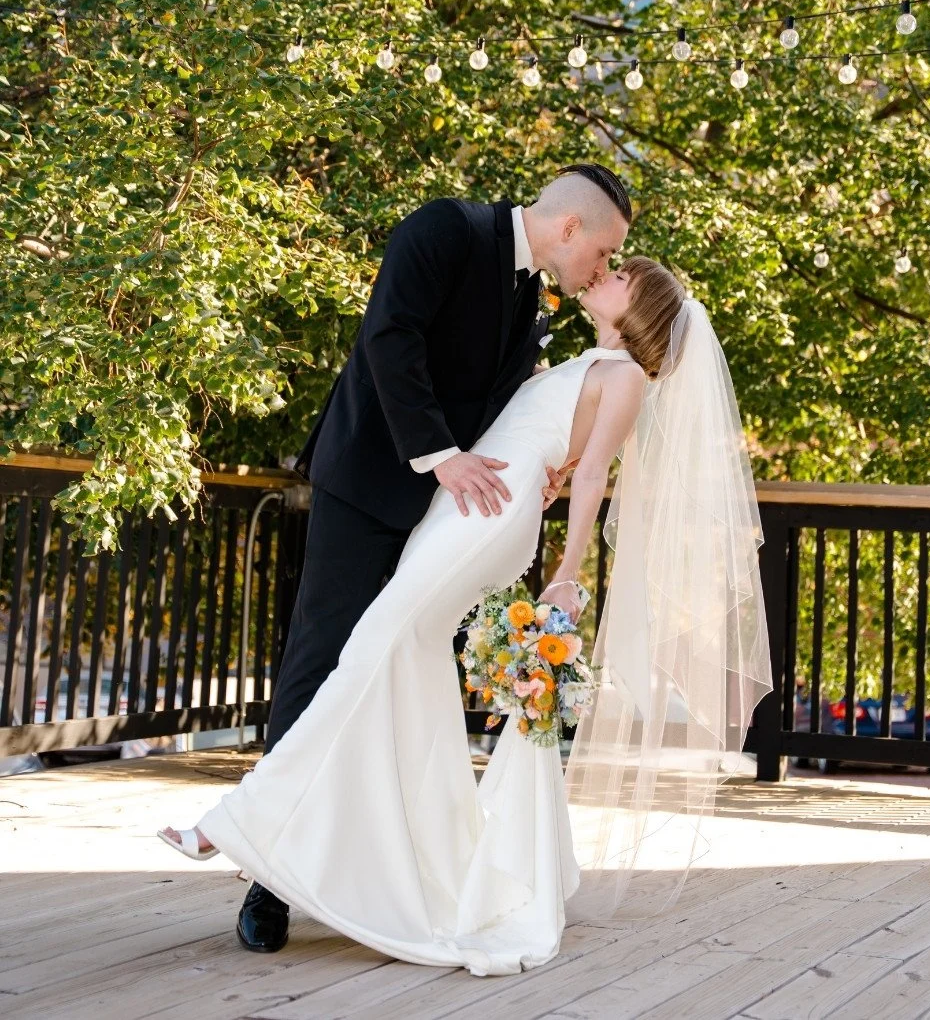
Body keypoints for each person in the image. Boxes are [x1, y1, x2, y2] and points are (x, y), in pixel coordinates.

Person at [158, 250, 773, 975]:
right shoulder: (589, 363)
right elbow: (557, 447)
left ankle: (234, 826)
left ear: (640, 310)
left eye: (621, 276)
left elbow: (594, 478)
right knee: (399, 665)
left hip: (487, 515)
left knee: (371, 646)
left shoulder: (630, 377)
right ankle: (420, 858)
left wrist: (567, 574)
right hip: (464, 502)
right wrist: (560, 462)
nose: (603, 274)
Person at [163, 165, 632, 953]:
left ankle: (380, 868)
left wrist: (551, 455)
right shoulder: (444, 227)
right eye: (608, 251)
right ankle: (269, 886)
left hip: (454, 516)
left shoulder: (532, 299)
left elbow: (507, 399)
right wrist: (441, 455)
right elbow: (389, 336)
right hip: (371, 483)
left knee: (395, 680)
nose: (605, 269)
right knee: (323, 661)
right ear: (570, 229)